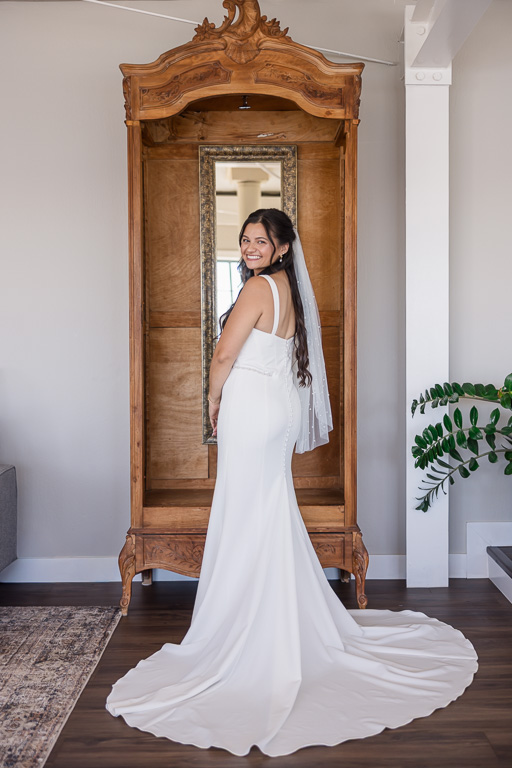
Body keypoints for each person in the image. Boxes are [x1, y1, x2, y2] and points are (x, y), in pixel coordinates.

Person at [106, 209, 477, 757]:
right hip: (275, 410)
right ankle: (276, 615)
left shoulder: (258, 288)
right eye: (246, 239)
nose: (251, 246)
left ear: (281, 248)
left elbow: (225, 354)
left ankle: (250, 629)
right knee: (267, 510)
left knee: (245, 510)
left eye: (262, 240)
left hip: (251, 410)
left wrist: (211, 399)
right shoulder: (290, 291)